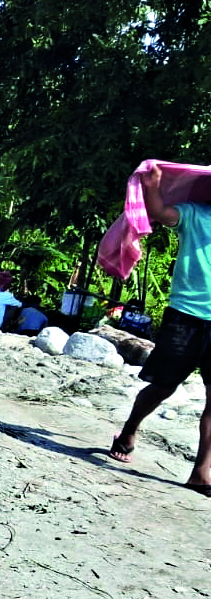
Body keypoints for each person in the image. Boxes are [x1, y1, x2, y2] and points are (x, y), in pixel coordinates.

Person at [108, 161, 211, 495]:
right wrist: (152, 186)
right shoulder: (195, 214)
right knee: (164, 385)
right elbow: (162, 214)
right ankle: (130, 429)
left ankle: (202, 472)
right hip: (186, 314)